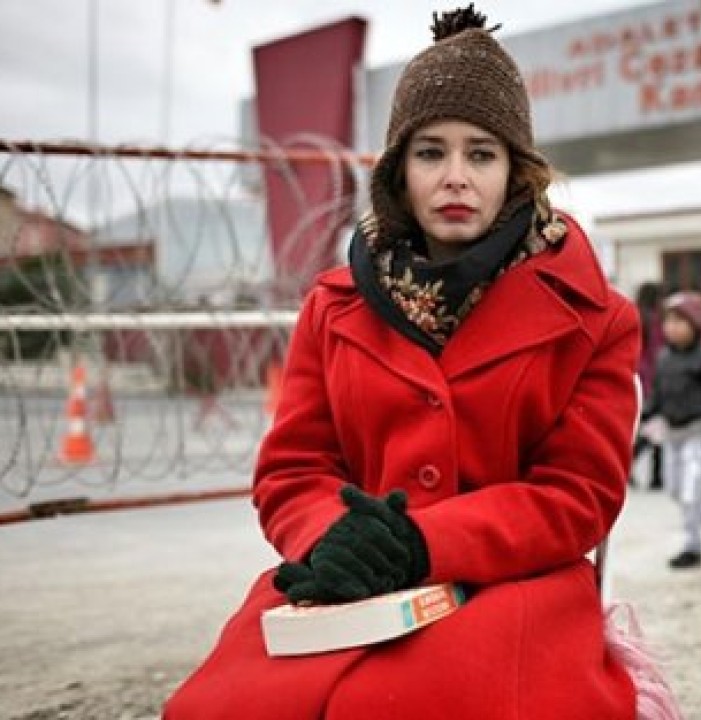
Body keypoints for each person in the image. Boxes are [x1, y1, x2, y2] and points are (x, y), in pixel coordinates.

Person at [165, 8, 642, 718]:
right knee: (218, 710)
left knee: (403, 705)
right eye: (430, 153)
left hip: (514, 582)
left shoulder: (595, 317)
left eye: (481, 154)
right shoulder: (332, 306)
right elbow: (292, 469)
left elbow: (579, 496)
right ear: (399, 171)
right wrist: (334, 538)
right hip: (349, 576)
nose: (455, 177)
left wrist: (424, 543)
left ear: (516, 173)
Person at [641, 291, 701, 569]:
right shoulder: (663, 358)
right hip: (672, 434)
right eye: (668, 321)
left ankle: (692, 546)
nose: (671, 327)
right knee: (674, 489)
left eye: (679, 321)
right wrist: (641, 418)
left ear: (695, 324)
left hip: (699, 432)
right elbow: (657, 395)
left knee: (691, 488)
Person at [630, 281, 665, 490]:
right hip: (652, 379)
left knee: (645, 426)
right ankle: (655, 475)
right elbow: (658, 352)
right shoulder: (656, 320)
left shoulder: (635, 316)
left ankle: (654, 474)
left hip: (637, 376)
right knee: (655, 426)